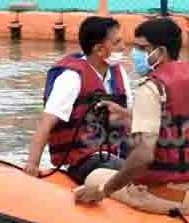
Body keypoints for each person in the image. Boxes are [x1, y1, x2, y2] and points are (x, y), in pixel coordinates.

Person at [73, 17, 189, 215]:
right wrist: (127, 115)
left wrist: (104, 191)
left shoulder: (151, 88)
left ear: (160, 52)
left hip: (163, 199)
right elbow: (173, 128)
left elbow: (143, 155)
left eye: (142, 48)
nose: (135, 54)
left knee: (97, 174)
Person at [24, 16, 132, 184]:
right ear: (99, 50)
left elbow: (131, 117)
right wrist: (32, 164)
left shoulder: (119, 74)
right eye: (117, 42)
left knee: (144, 163)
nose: (123, 47)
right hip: (83, 162)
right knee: (123, 170)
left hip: (114, 154)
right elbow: (46, 123)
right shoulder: (71, 78)